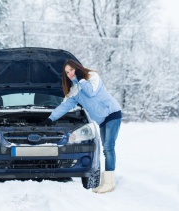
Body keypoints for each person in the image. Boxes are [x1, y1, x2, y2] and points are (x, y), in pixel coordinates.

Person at [41, 59, 122, 193]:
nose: (70, 74)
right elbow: (64, 106)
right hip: (102, 120)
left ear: (77, 68)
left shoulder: (92, 77)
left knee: (108, 147)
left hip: (112, 113)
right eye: (67, 72)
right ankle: (107, 180)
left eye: (72, 70)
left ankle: (110, 182)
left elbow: (91, 92)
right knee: (105, 149)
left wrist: (81, 79)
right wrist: (50, 119)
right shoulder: (74, 91)